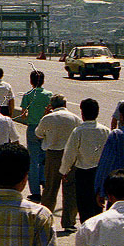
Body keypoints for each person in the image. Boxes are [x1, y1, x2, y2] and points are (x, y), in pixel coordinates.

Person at [36, 94, 82, 230]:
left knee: (50, 187)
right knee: (70, 189)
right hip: (70, 154)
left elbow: (38, 133)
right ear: (65, 104)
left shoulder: (48, 118)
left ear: (51, 106)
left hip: (53, 155)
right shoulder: (75, 118)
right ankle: (69, 221)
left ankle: (45, 220)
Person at [60, 97, 109, 223]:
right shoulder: (105, 131)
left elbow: (70, 153)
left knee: (84, 205)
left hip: (83, 174)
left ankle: (87, 232)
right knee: (98, 206)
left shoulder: (78, 131)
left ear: (82, 113)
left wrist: (64, 171)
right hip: (99, 173)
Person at [18, 69, 52, 202]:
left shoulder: (28, 95)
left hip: (33, 128)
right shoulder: (49, 95)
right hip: (47, 129)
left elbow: (23, 114)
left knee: (33, 160)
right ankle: (44, 180)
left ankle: (35, 192)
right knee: (44, 157)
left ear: (31, 81)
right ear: (43, 81)